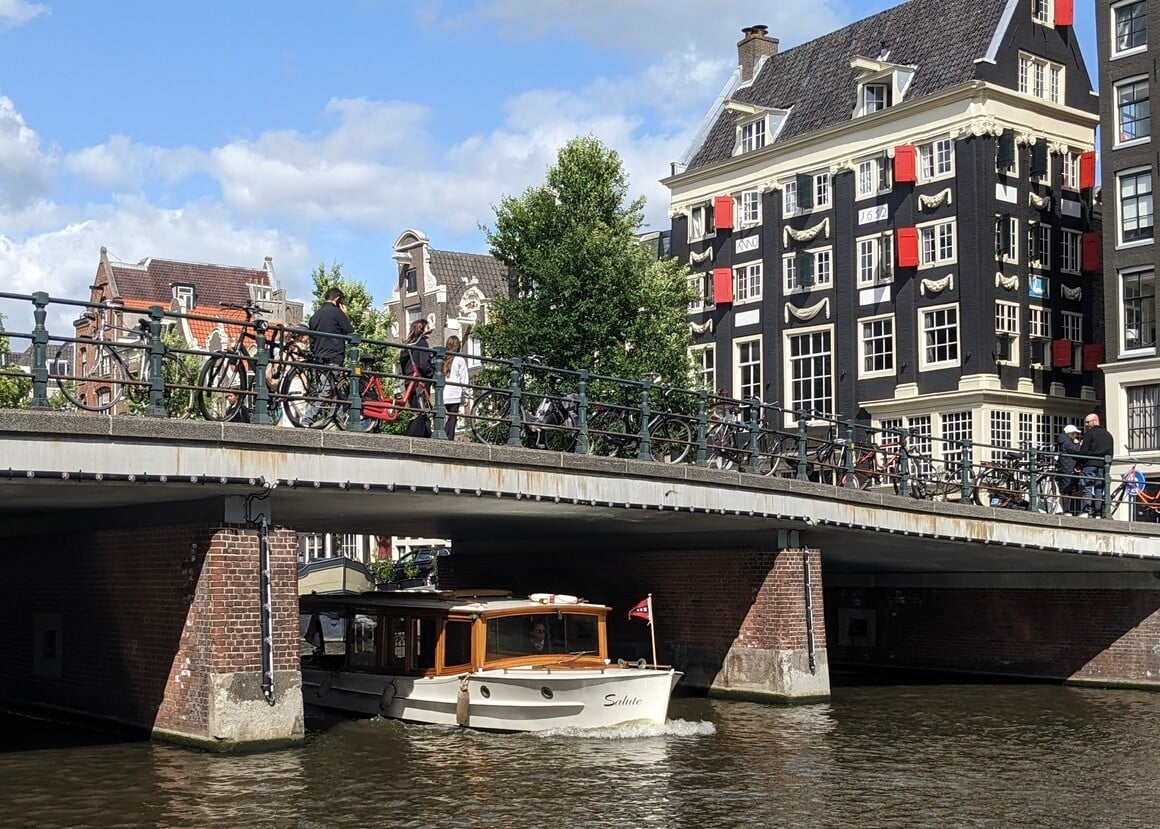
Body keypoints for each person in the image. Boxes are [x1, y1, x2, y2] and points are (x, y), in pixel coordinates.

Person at [400, 319, 434, 437]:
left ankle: (426, 438)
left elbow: (403, 363)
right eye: (428, 327)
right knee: (421, 412)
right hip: (420, 381)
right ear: (422, 328)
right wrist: (432, 374)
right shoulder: (422, 343)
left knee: (416, 411)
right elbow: (424, 364)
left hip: (409, 381)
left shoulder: (408, 344)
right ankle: (411, 438)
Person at [1078, 412, 1115, 518]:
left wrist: (1079, 463)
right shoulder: (1108, 435)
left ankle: (1085, 511)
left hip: (1089, 463)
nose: (1086, 424)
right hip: (1103, 465)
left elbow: (1084, 450)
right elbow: (1110, 453)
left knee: (1087, 486)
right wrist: (1108, 467)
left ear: (1094, 421)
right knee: (1099, 488)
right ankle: (1098, 513)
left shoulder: (1090, 434)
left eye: (1087, 422)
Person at [442, 335, 470, 439]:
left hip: (444, 392)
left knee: (449, 416)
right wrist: (466, 395)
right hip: (455, 392)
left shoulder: (443, 359)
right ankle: (449, 438)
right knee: (453, 417)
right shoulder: (460, 360)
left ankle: (444, 435)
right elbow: (464, 379)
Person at [1055, 424, 1082, 516]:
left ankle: (1068, 509)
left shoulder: (1064, 441)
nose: (1076, 436)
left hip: (1067, 467)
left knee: (1068, 489)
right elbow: (1076, 450)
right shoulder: (1067, 442)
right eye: (1075, 434)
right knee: (1066, 489)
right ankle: (1066, 510)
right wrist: (1079, 444)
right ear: (1071, 434)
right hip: (1067, 467)